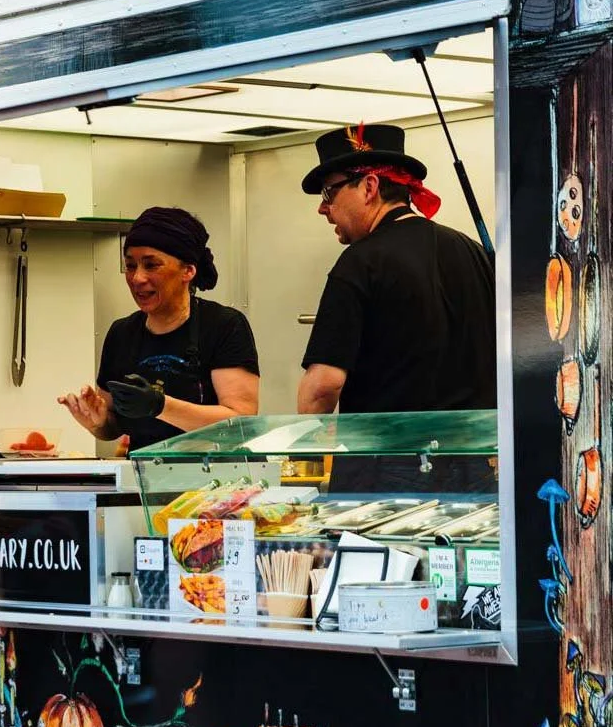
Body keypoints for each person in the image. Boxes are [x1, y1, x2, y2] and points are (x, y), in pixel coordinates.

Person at [297, 123, 496, 490]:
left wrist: (302, 452)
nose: (323, 208)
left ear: (370, 186)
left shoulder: (359, 263)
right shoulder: (472, 251)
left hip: (385, 471)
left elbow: (321, 389)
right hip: (474, 469)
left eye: (330, 192)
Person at [59, 206, 259, 450]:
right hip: (145, 477)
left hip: (217, 481)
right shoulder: (122, 334)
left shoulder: (223, 325)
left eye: (151, 265)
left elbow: (240, 424)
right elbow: (114, 425)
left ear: (188, 270)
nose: (137, 278)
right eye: (130, 266)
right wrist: (97, 421)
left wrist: (160, 406)